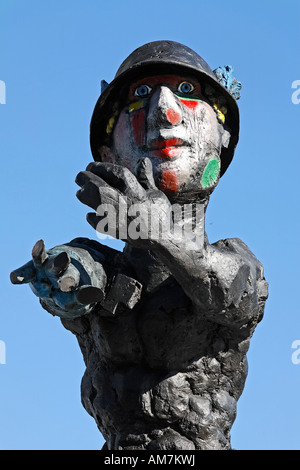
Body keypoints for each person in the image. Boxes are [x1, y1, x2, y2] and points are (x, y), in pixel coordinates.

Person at [10, 41, 268, 450]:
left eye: (187, 91)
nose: (165, 113)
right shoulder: (99, 264)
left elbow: (231, 294)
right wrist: (61, 280)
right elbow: (76, 272)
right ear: (108, 152)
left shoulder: (235, 261)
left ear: (222, 139)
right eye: (140, 96)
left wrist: (161, 232)